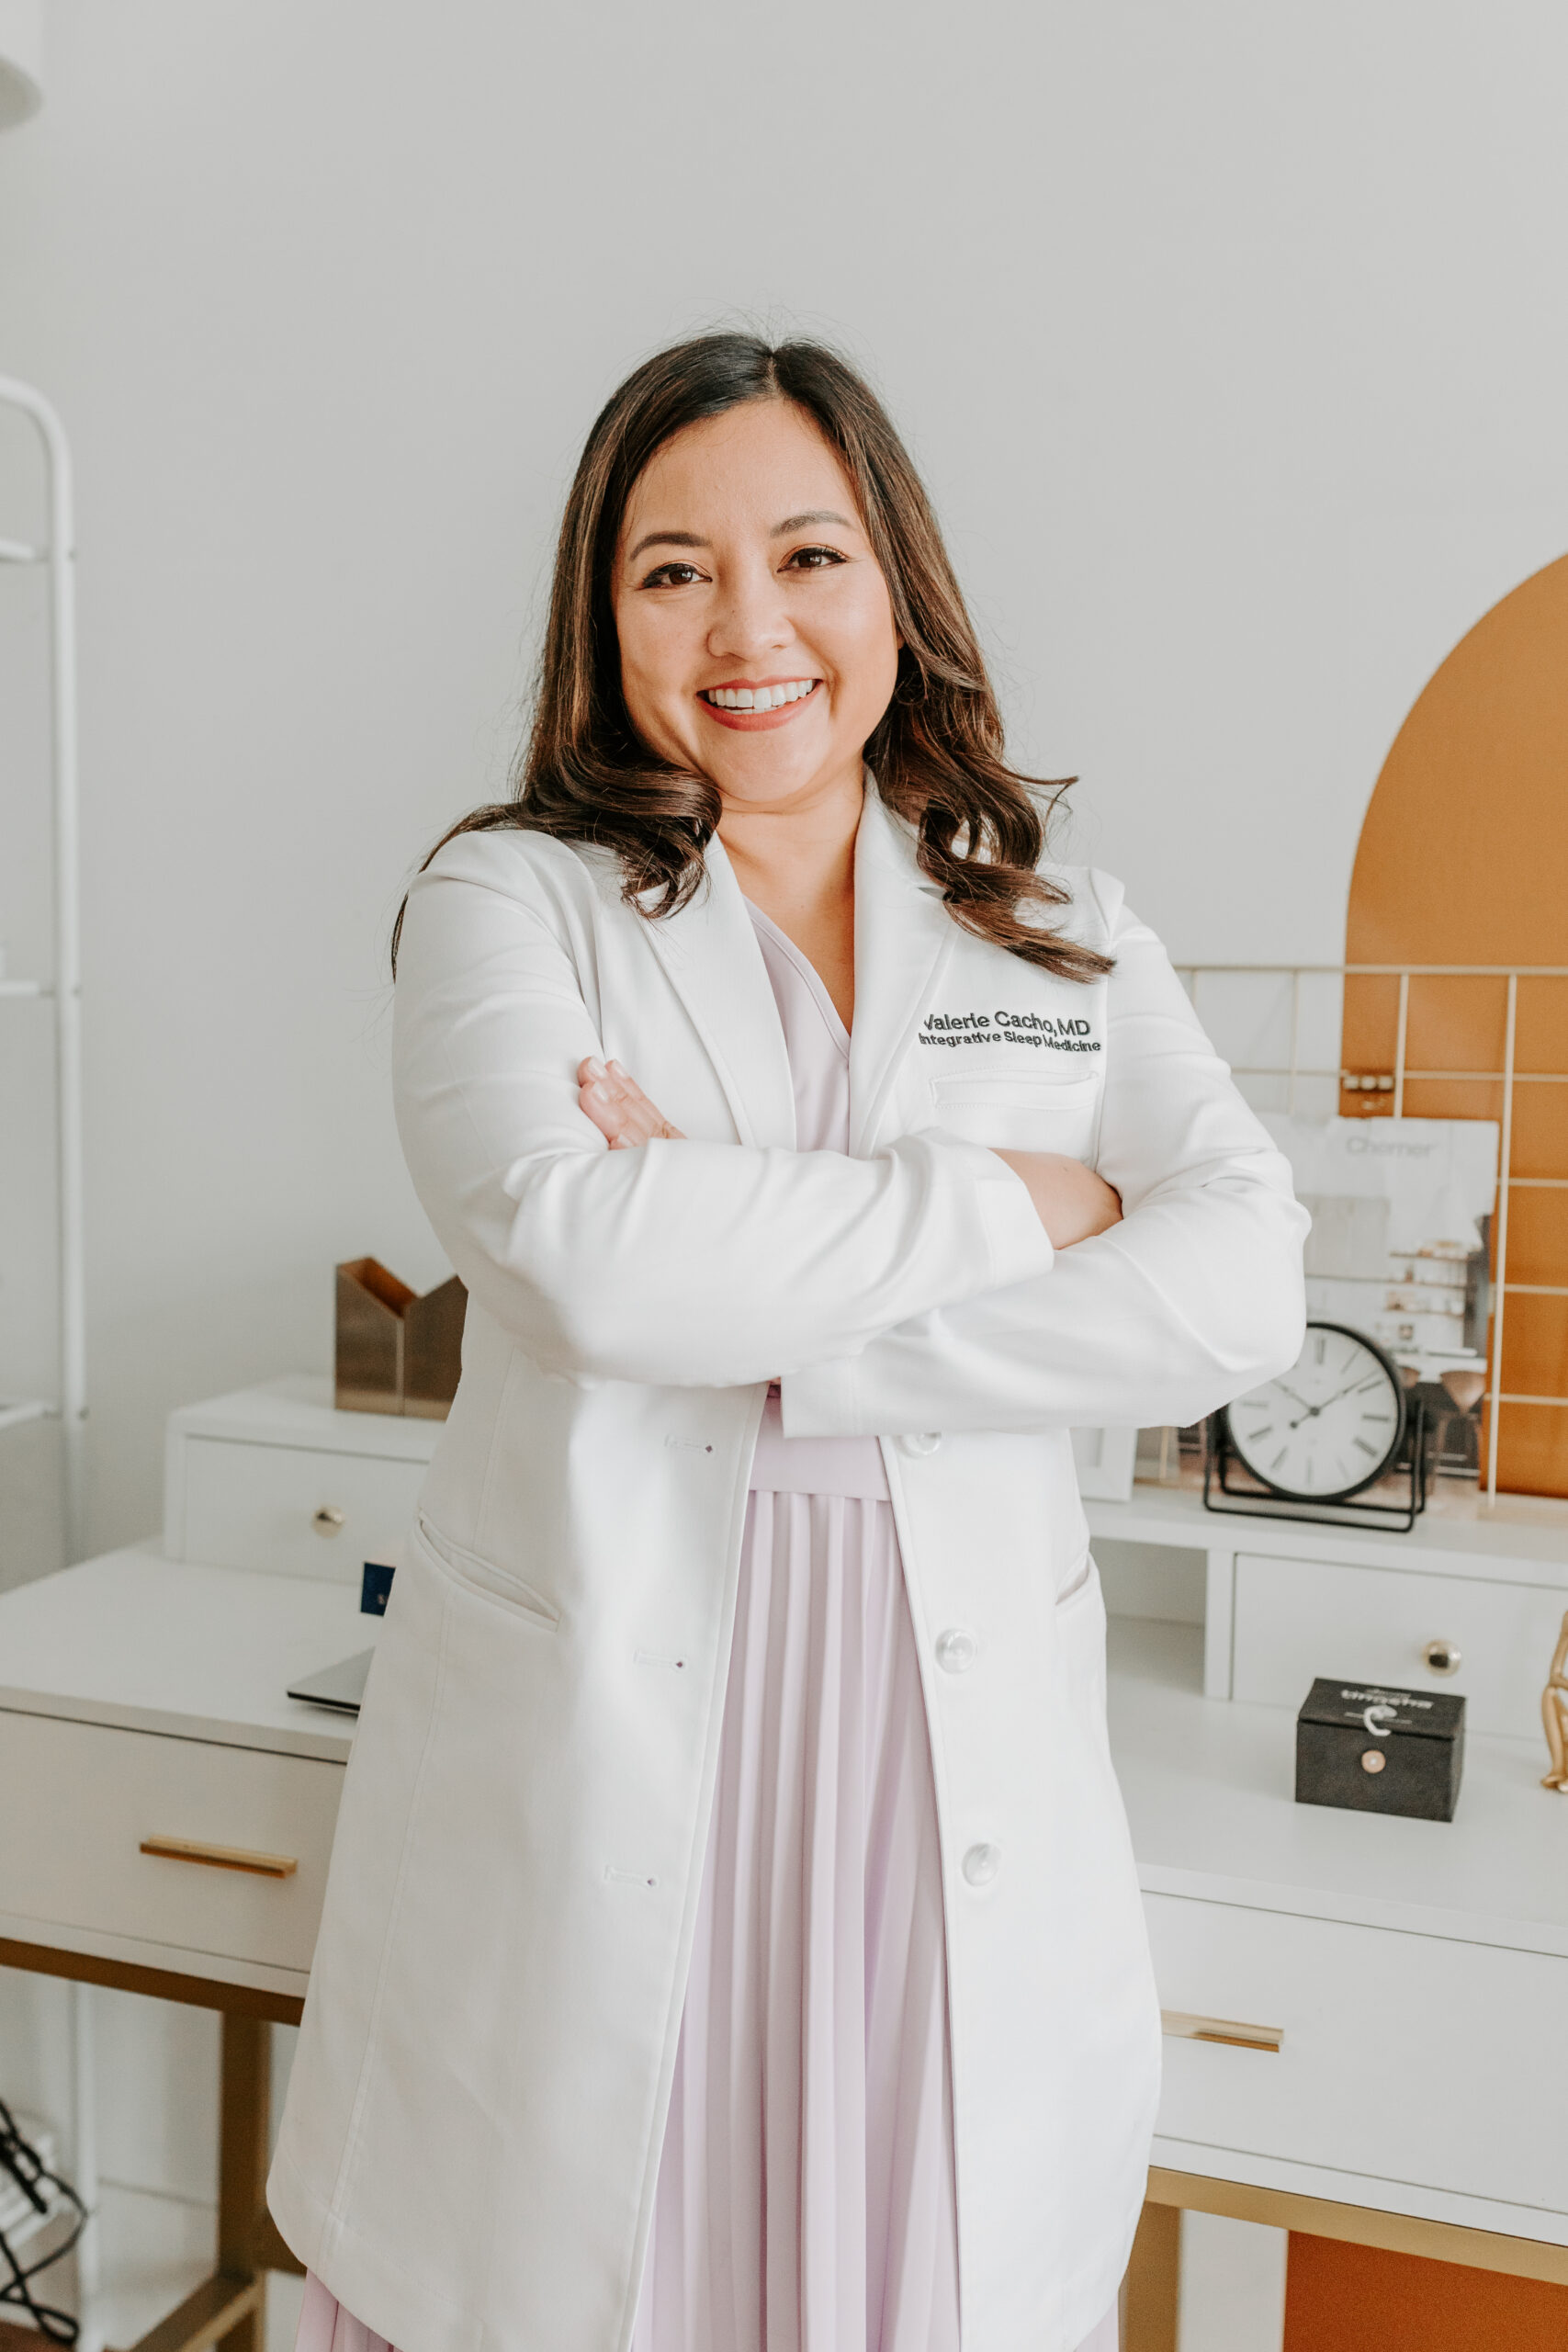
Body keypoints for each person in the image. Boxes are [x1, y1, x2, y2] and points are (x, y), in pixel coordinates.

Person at [270, 334, 1307, 2352]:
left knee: (896, 2257)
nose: (747, 626)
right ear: (603, 611)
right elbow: (584, 1262)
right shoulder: (511, 901)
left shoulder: (1054, 919)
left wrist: (794, 1333)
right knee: (585, 2257)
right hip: (618, 1749)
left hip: (934, 1769)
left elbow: (1241, 1291)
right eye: (672, 569)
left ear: (895, 593)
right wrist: (1031, 1197)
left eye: (806, 554)